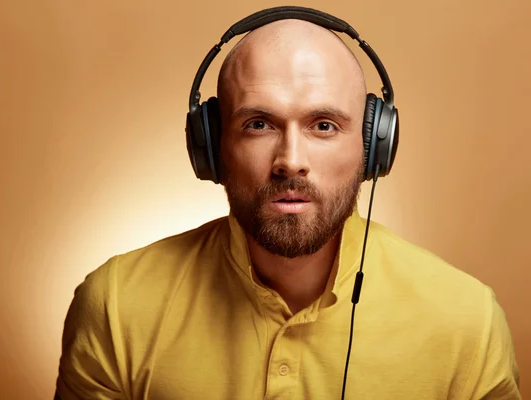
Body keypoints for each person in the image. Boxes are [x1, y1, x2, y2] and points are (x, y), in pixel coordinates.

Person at [54, 9, 521, 400]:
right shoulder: (116, 305)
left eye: (323, 125)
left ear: (373, 145)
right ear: (212, 148)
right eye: (259, 124)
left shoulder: (467, 322)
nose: (290, 162)